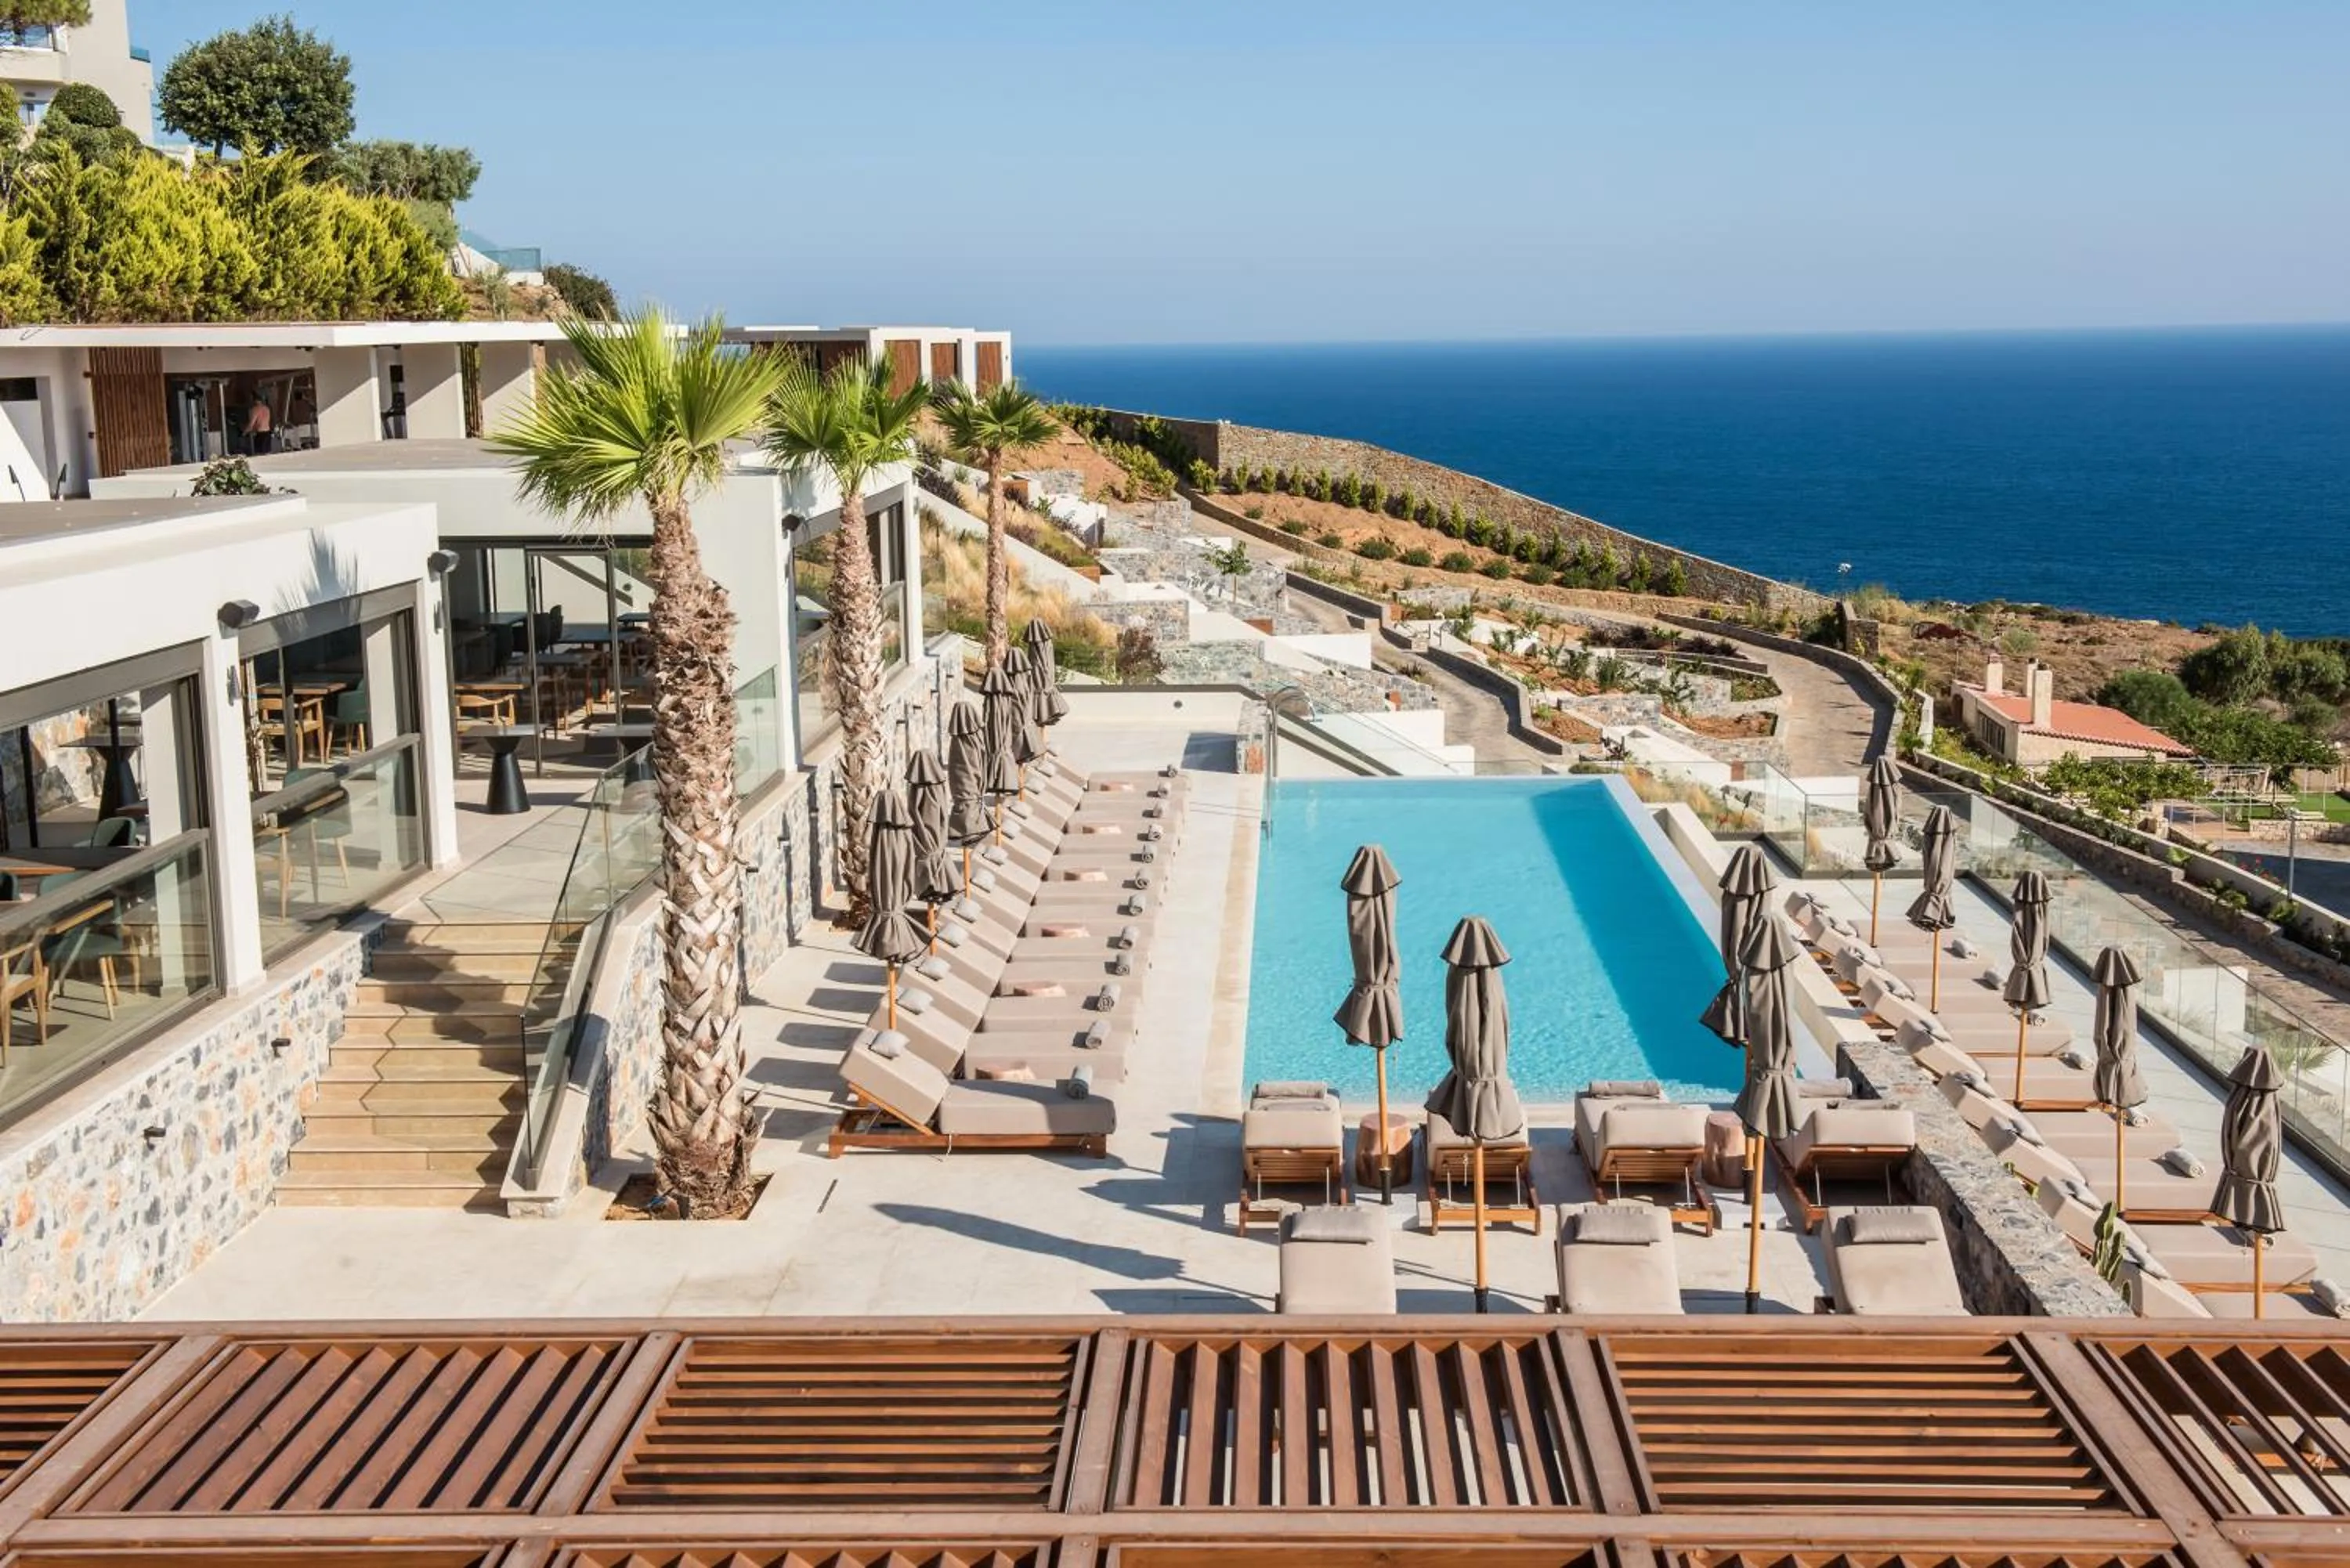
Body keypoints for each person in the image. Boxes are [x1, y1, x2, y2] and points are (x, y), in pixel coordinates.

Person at [244, 392, 274, 456]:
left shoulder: (255, 409)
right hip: (268, 433)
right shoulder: (267, 409)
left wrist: (244, 433)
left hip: (260, 434)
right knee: (268, 454)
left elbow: (251, 424)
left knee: (259, 456)